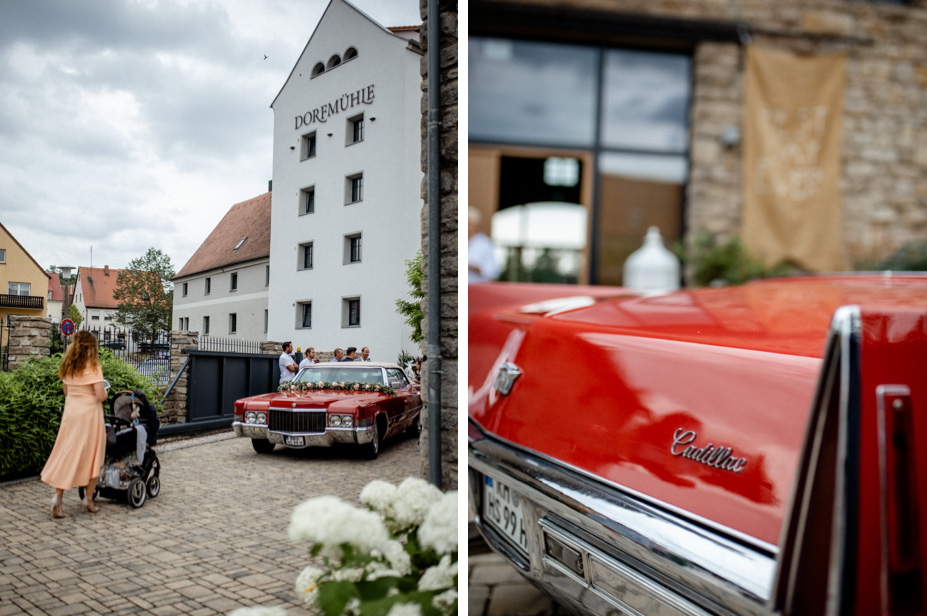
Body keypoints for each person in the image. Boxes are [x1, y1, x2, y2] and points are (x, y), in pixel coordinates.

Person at [41, 330, 108, 517]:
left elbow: (66, 391)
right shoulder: (93, 367)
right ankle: (88, 499)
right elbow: (100, 395)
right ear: (92, 348)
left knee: (67, 452)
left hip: (71, 414)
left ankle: (58, 498)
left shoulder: (68, 366)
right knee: (94, 455)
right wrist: (106, 392)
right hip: (89, 416)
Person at [468, 205, 500, 283]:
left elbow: (493, 271)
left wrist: (475, 267)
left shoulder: (485, 243)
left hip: (476, 286)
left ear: (475, 225)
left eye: (469, 224)